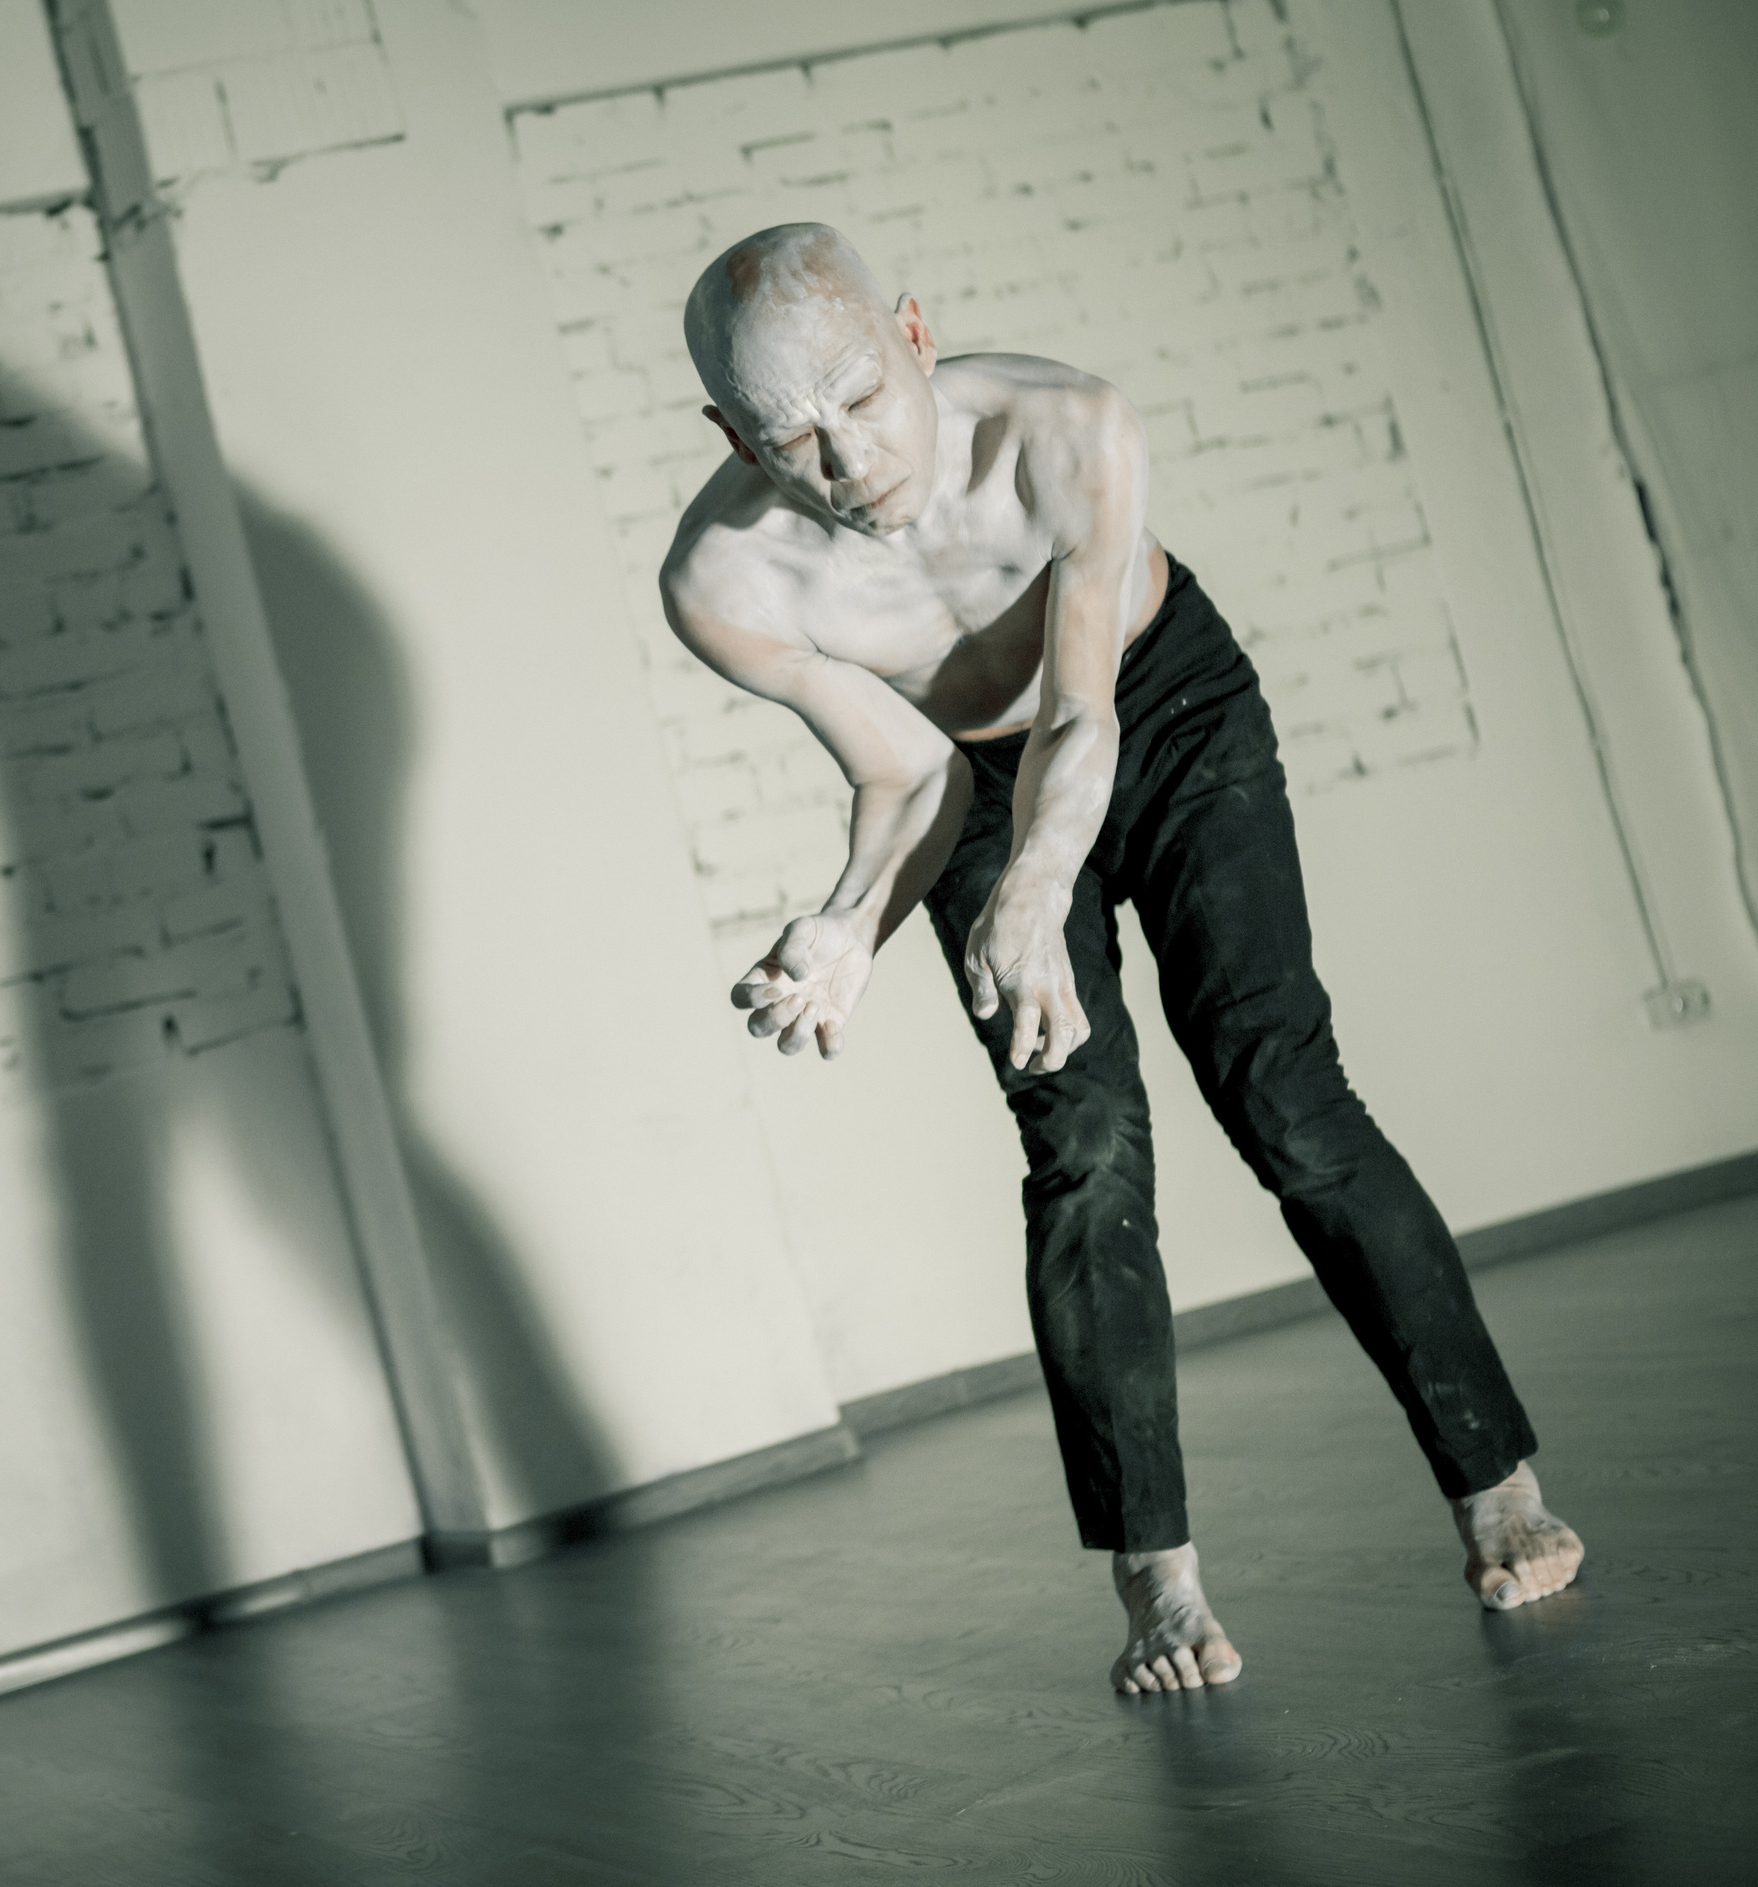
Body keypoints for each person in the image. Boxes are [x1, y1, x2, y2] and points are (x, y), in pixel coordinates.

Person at [660, 222, 1583, 1693]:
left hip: (1162, 706)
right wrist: (848, 923)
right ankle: (1159, 1586)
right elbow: (912, 783)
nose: (845, 463)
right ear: (729, 436)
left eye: (860, 399)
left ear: (914, 328)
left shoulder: (1064, 427)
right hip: (972, 768)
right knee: (1082, 1148)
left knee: (1283, 1092)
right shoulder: (727, 584)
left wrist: (1042, 883)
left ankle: (1500, 1489)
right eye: (789, 440)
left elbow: (1084, 715)